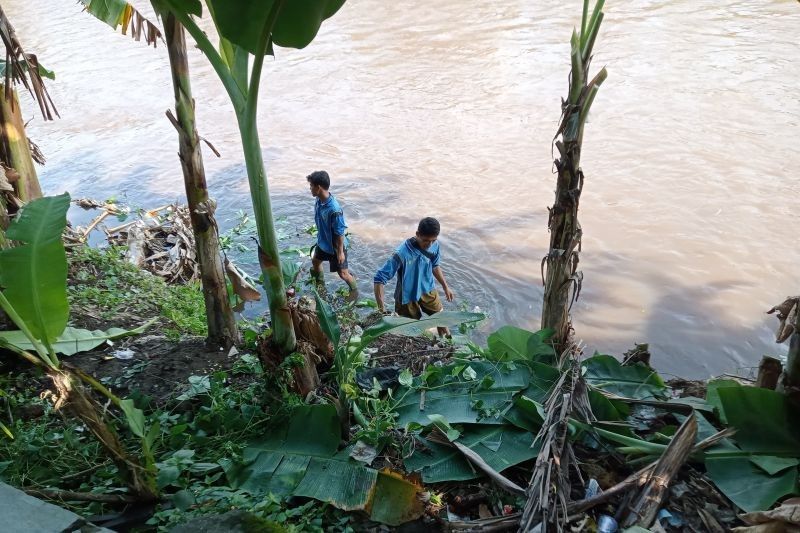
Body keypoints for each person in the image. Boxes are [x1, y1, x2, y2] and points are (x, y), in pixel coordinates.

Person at [373, 217, 455, 337]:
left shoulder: (435, 245)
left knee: (441, 320)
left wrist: (445, 287)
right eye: (426, 240)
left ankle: (448, 343)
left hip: (428, 289)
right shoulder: (401, 253)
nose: (430, 244)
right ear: (417, 234)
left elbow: (435, 266)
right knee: (409, 331)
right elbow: (379, 279)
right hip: (407, 298)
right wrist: (382, 310)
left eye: (433, 240)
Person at [307, 170, 357, 295]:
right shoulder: (319, 200)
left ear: (318, 188)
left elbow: (340, 232)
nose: (310, 189)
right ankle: (320, 284)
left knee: (343, 274)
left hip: (335, 246)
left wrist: (340, 253)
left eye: (311, 186)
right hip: (323, 243)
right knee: (315, 261)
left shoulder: (334, 209)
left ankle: (355, 291)